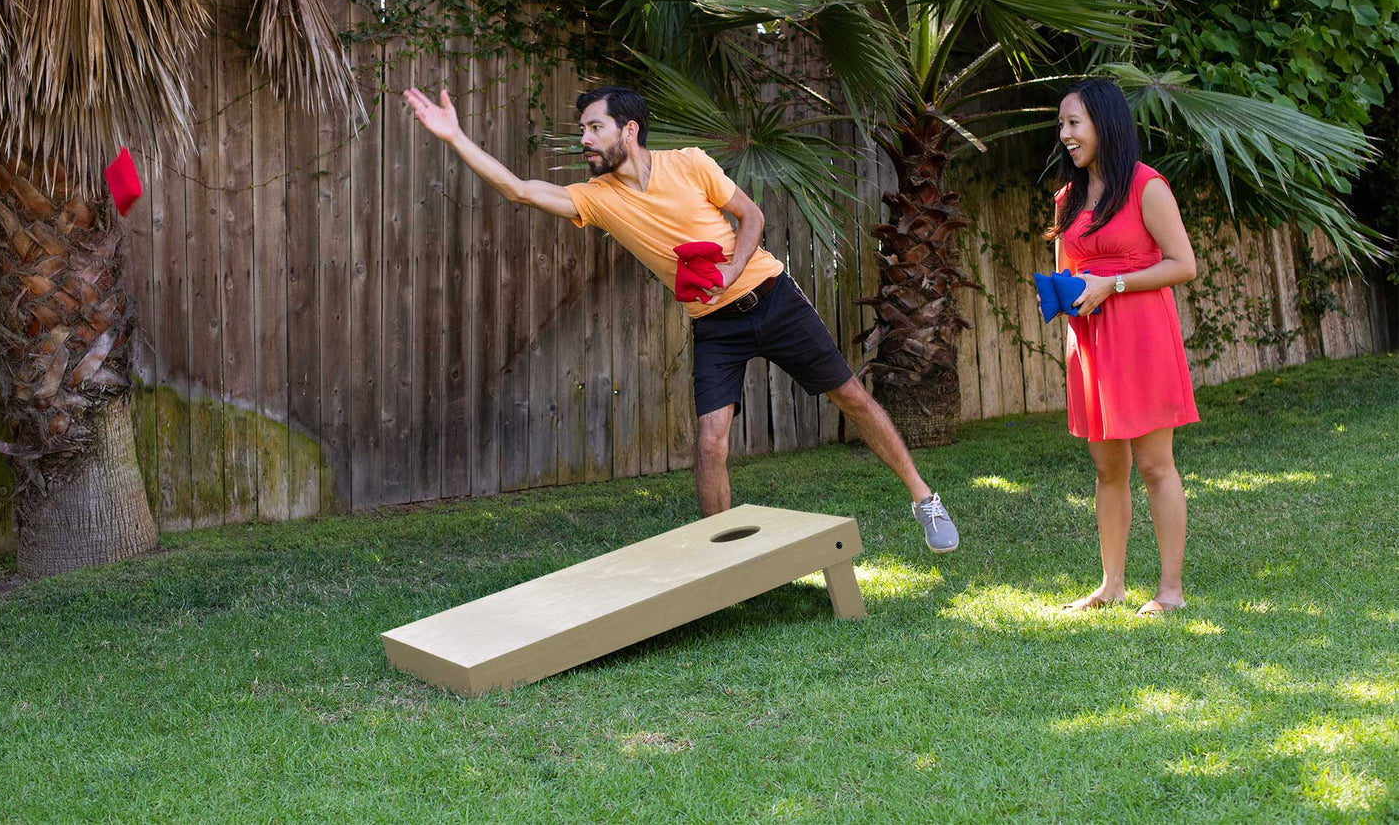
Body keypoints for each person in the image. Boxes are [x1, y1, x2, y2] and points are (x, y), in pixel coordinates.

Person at [402, 83, 959, 552]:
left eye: (594, 128)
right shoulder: (597, 198)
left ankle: (924, 498)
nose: (584, 140)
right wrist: (454, 137)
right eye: (582, 131)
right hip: (714, 325)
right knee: (711, 441)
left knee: (852, 397)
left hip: (771, 295)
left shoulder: (690, 164)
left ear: (629, 131)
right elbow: (519, 190)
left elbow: (751, 215)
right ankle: (725, 556)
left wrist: (731, 269)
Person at [1047, 78, 1199, 616]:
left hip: (1142, 337)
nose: (1064, 134)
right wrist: (1064, 295)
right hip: (1089, 342)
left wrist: (1111, 285)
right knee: (1108, 470)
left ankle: (1171, 592)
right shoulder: (1067, 198)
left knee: (1156, 464)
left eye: (1074, 123)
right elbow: (1073, 272)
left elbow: (1183, 264)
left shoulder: (1146, 186)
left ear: (1104, 125)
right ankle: (1111, 585)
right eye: (1061, 124)